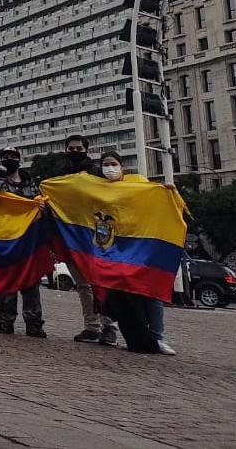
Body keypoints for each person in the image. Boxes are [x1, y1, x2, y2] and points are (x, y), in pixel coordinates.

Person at [94, 151, 177, 355]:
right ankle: (134, 338)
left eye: (113, 163)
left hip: (140, 245)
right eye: (105, 164)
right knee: (121, 297)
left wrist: (166, 192)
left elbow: (152, 199)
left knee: (150, 292)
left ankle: (157, 337)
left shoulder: (137, 182)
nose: (110, 168)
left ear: (122, 166)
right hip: (113, 249)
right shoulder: (97, 188)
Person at [61, 134, 117, 347]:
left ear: (86, 150)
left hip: (96, 236)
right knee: (83, 285)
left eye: (78, 148)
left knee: (100, 283)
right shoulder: (61, 175)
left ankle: (109, 327)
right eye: (71, 148)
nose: (75, 151)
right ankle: (91, 327)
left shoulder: (97, 173)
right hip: (72, 236)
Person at [0, 146, 47, 337]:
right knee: (7, 282)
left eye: (12, 156)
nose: (9, 159)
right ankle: (5, 321)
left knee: (31, 283)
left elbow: (42, 208)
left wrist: (41, 206)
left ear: (19, 159)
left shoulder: (31, 184)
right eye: (5, 156)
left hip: (29, 241)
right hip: (7, 240)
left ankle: (34, 323)